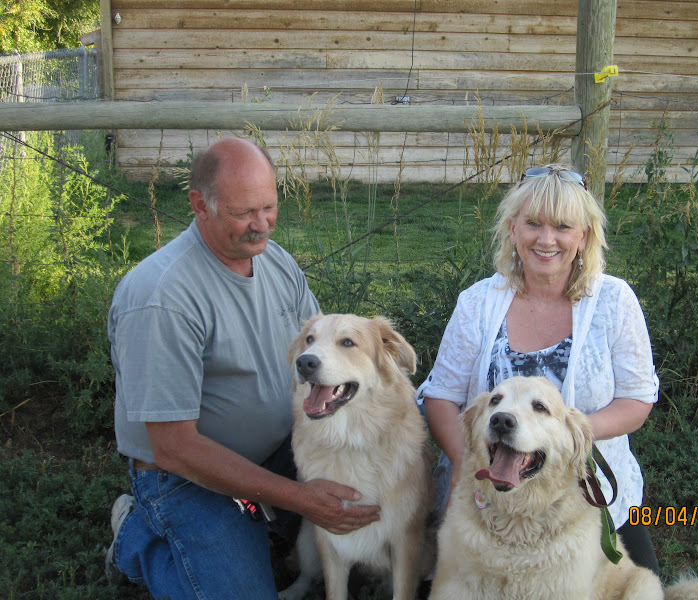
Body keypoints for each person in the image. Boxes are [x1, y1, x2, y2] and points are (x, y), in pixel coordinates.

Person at [105, 138, 381, 599]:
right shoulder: (161, 298)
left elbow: (325, 356)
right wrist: (298, 498)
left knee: (381, 484)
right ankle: (136, 538)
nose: (262, 224)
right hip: (185, 478)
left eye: (269, 207)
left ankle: (259, 521)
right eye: (244, 212)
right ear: (200, 205)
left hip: (286, 446)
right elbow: (174, 448)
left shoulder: (275, 260)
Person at [418, 164, 660, 574]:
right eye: (533, 224)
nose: (546, 239)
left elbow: (637, 400)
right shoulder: (477, 303)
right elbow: (441, 396)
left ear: (584, 237)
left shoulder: (615, 301)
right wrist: (463, 463)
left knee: (642, 587)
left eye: (562, 226)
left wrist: (570, 436)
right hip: (489, 494)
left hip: (590, 495)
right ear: (513, 230)